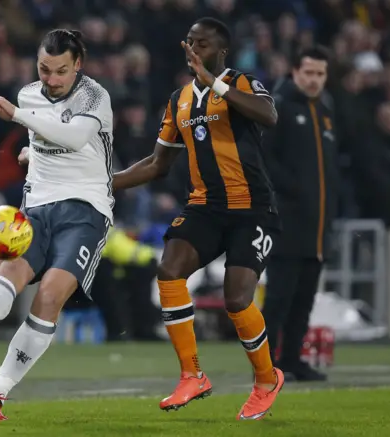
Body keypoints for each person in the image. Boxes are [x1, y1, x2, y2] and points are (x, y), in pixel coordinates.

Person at [112, 17, 284, 420]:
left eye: (202, 44)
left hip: (252, 208)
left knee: (237, 299)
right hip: (206, 207)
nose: (193, 50)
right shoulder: (179, 100)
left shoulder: (240, 83)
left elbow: (268, 115)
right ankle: (192, 375)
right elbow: (157, 164)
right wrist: (106, 184)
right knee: (169, 269)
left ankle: (265, 379)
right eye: (189, 42)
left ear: (221, 51)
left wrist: (215, 81)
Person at [0, 29, 114, 421]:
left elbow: (75, 139)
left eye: (60, 71)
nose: (51, 79)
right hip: (37, 204)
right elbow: (43, 141)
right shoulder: (28, 94)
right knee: (12, 270)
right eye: (44, 69)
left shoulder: (94, 96)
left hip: (86, 209)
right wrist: (30, 155)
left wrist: (18, 118)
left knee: (51, 295)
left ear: (78, 66)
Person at [261, 46, 339, 382]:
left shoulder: (324, 112)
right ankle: (263, 365)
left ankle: (292, 359)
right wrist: (292, 190)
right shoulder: (277, 108)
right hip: (286, 222)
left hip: (317, 225)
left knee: (304, 298)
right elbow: (264, 158)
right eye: (308, 72)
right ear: (294, 72)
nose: (314, 80)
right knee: (279, 297)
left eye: (320, 74)